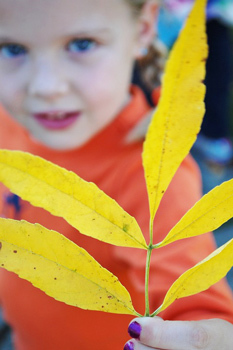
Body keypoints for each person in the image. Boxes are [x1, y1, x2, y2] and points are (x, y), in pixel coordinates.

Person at [0, 1, 232, 350]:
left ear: (142, 29)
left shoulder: (151, 179)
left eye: (82, 44)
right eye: (12, 49)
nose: (46, 87)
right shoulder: (9, 124)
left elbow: (199, 314)